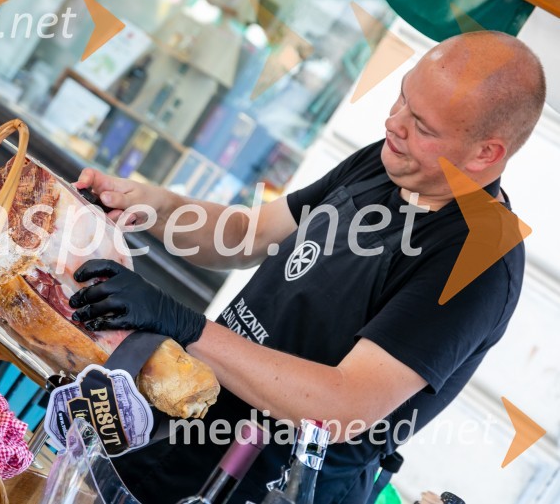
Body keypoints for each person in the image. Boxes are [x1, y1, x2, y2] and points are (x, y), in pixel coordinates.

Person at [68, 31, 546, 504]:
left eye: (422, 126)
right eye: (402, 97)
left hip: (247, 490)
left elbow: (342, 405)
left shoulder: (479, 258)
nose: (393, 122)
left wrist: (183, 323)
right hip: (150, 446)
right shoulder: (385, 165)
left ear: (487, 153)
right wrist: (150, 205)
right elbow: (245, 236)